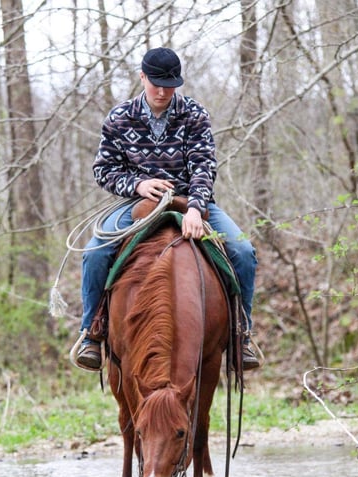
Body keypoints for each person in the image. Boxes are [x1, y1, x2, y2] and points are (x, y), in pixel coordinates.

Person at [75, 47, 260, 371]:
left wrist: (195, 209)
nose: (162, 91)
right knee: (94, 253)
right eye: (156, 82)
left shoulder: (194, 115)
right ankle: (92, 332)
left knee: (243, 251)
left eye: (170, 84)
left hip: (192, 200)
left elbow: (204, 167)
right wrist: (137, 185)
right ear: (142, 77)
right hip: (137, 203)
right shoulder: (120, 118)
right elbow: (103, 170)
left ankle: (240, 334)